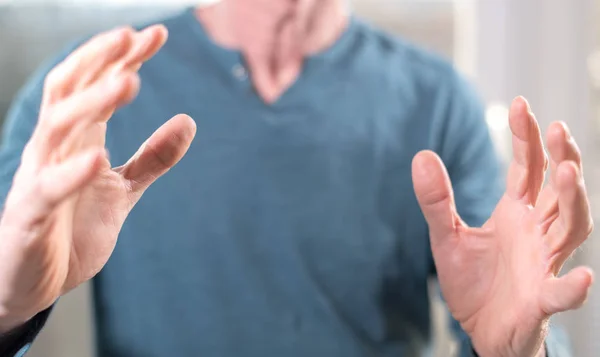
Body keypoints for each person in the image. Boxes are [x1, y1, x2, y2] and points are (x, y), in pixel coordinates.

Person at [0, 1, 593, 356]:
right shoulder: (83, 93)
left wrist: (522, 351)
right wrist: (7, 307)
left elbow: (502, 319)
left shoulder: (437, 103)